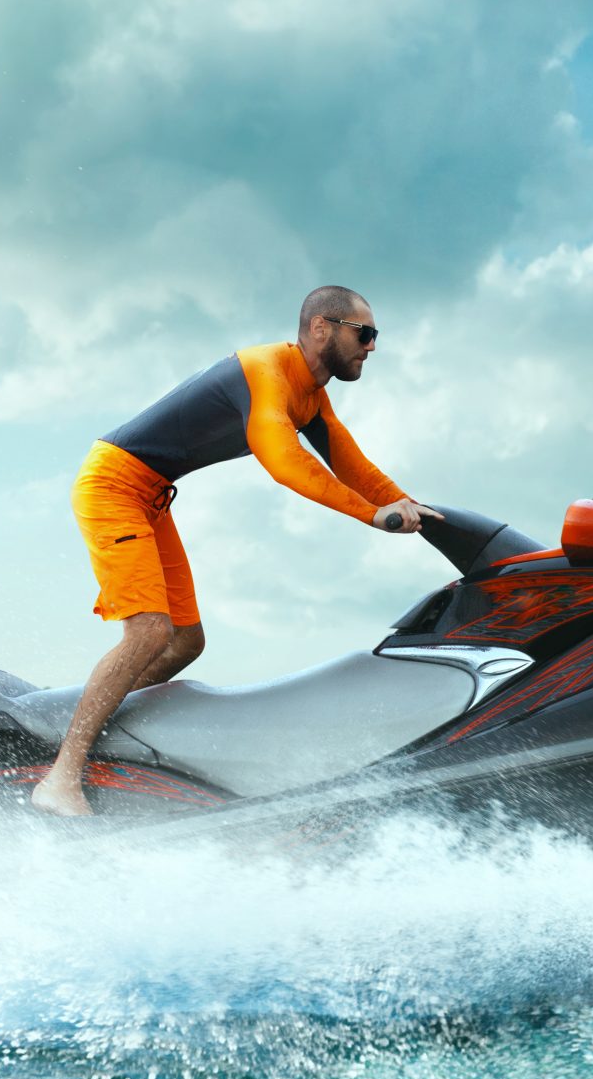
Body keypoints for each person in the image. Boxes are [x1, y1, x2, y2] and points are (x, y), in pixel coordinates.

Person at [29, 285, 436, 816]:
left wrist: (405, 504)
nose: (372, 346)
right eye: (365, 333)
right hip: (113, 485)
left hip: (151, 495)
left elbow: (350, 464)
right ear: (322, 328)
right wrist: (372, 514)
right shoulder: (264, 371)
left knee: (185, 642)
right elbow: (284, 460)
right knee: (150, 630)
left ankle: (89, 736)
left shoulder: (311, 395)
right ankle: (61, 776)